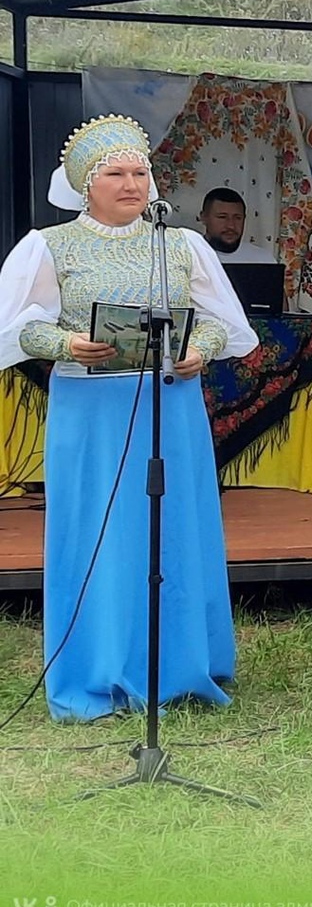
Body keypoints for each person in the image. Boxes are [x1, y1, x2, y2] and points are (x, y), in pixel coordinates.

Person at [0, 115, 258, 721]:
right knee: (102, 528)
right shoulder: (49, 245)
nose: (131, 183)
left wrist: (200, 348)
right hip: (92, 409)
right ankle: (100, 665)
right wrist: (67, 345)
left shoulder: (182, 243)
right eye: (114, 173)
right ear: (86, 183)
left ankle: (181, 663)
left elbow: (225, 322)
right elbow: (15, 328)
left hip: (170, 405)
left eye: (139, 171)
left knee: (173, 527)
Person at [199, 187, 277, 263]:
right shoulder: (191, 257)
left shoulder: (264, 260)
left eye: (237, 218)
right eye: (222, 217)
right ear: (204, 218)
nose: (231, 226)